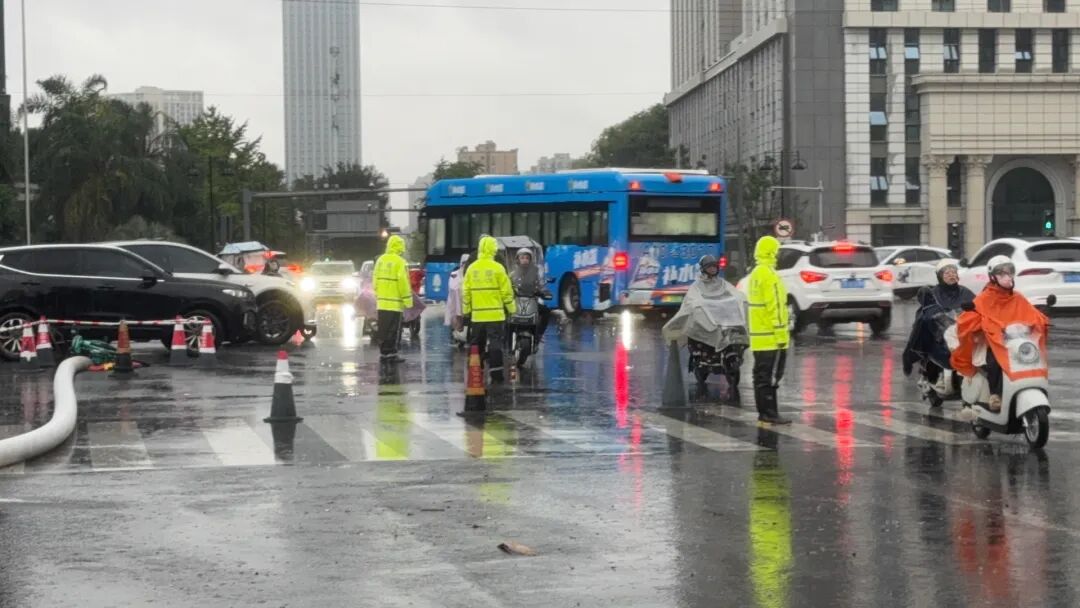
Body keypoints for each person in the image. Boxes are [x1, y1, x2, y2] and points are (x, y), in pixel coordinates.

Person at [951, 255, 1048, 413]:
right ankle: (995, 394)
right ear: (992, 276)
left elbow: (1031, 313)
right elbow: (968, 318)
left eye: (1009, 272)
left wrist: (1041, 319)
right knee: (995, 360)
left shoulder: (1017, 297)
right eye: (1001, 273)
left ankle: (1034, 385)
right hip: (994, 343)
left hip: (1016, 341)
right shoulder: (984, 298)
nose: (1006, 276)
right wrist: (978, 320)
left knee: (1035, 354)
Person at [902, 259, 976, 386]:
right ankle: (927, 368)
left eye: (954, 272)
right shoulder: (933, 294)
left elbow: (977, 307)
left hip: (964, 333)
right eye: (947, 273)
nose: (951, 275)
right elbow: (923, 315)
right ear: (940, 276)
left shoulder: (965, 292)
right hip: (941, 337)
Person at [747, 236, 791, 425]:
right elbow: (775, 307)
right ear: (771, 252)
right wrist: (781, 333)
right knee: (771, 376)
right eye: (777, 250)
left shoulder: (756, 273)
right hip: (771, 337)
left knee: (760, 375)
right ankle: (770, 412)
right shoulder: (769, 275)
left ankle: (764, 411)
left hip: (759, 336)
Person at [463, 236, 516, 383]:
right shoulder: (498, 268)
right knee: (495, 343)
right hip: (495, 315)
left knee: (476, 344)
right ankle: (496, 373)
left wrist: (467, 310)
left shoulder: (472, 268)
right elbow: (506, 291)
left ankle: (475, 371)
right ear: (493, 249)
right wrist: (511, 308)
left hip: (477, 317)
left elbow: (465, 292)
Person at [373, 235, 413, 362]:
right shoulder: (400, 262)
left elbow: (375, 281)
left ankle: (384, 352)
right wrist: (408, 301)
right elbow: (403, 283)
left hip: (382, 303)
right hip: (395, 304)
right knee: (394, 330)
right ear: (400, 247)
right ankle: (391, 354)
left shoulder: (380, 260)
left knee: (383, 328)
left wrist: (379, 293)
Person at [509, 249, 551, 339]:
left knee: (546, 311)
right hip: (516, 301)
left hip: (532, 301)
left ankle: (539, 334)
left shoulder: (536, 273)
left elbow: (541, 285)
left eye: (527, 258)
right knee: (505, 315)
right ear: (518, 259)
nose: (525, 260)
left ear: (530, 260)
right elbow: (507, 286)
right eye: (522, 258)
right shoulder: (512, 274)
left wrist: (544, 292)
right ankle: (505, 341)